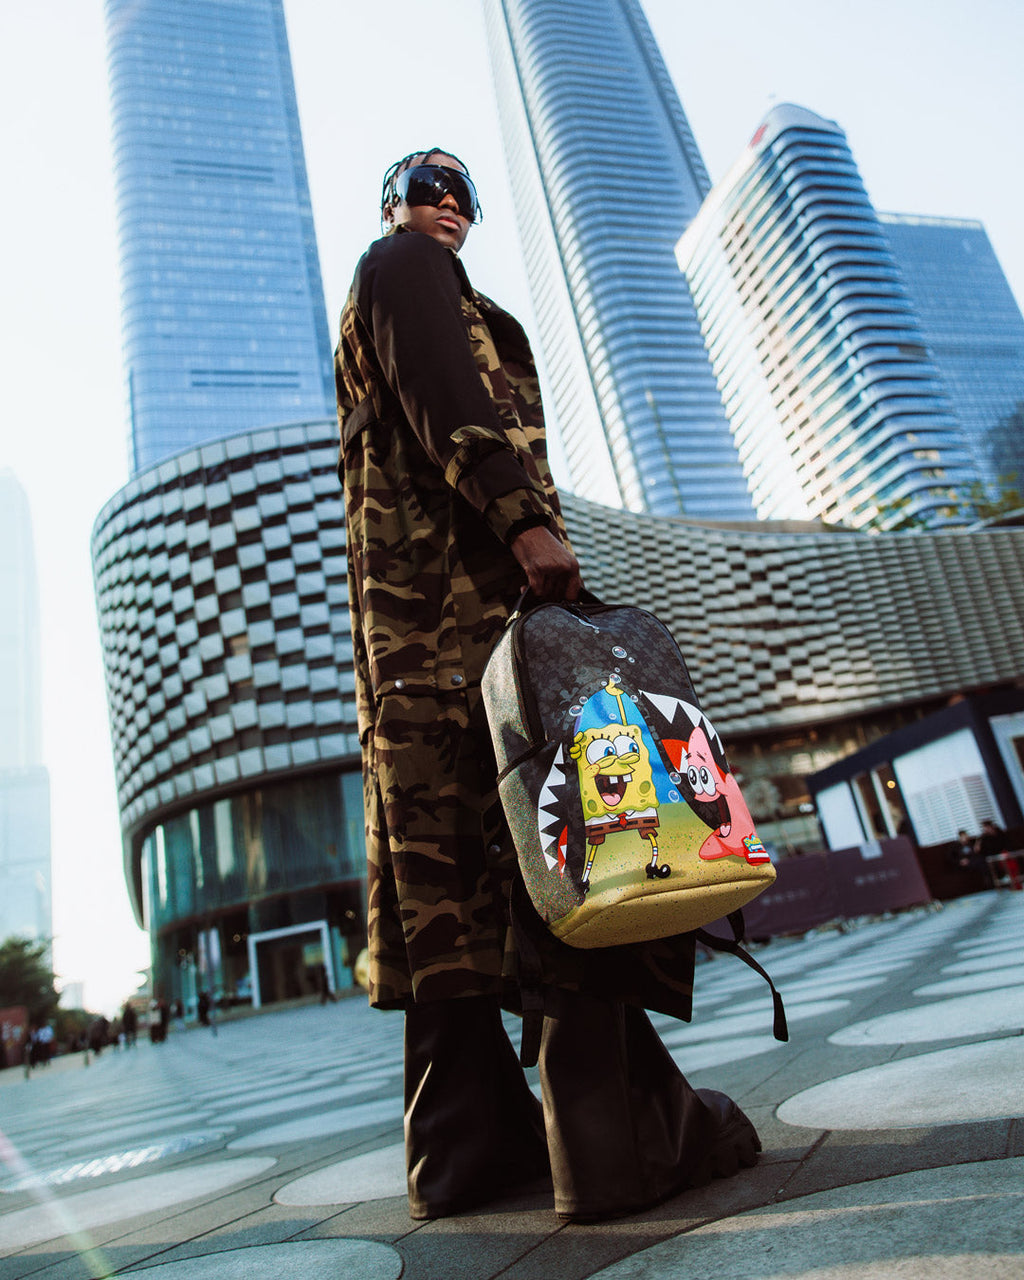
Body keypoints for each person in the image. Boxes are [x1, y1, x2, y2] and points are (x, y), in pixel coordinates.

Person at [334, 147, 760, 1224]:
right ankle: (621, 1137)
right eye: (424, 188)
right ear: (395, 207)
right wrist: (523, 517)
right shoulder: (399, 269)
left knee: (455, 898)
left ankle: (466, 1146)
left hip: (418, 655)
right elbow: (448, 392)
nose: (444, 203)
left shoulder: (406, 286)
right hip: (470, 632)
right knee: (571, 845)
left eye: (460, 193)